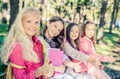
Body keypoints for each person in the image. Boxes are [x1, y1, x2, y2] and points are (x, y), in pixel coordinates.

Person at [0, 7, 54, 79]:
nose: (33, 25)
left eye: (36, 22)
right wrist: (39, 72)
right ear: (21, 22)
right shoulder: (17, 47)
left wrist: (49, 71)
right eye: (28, 21)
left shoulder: (38, 43)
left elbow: (43, 68)